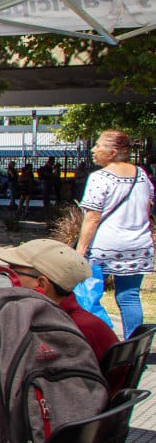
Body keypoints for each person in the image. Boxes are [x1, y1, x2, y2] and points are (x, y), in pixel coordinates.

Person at [76, 130, 155, 337]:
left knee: (89, 297)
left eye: (98, 146)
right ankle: (134, 347)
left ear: (112, 152)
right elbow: (147, 211)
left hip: (104, 246)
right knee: (129, 297)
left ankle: (103, 341)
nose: (94, 150)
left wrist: (80, 251)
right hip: (138, 245)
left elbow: (92, 218)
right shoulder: (141, 175)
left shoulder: (99, 177)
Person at [0, 238, 117, 362]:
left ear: (41, 284)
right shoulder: (73, 319)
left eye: (12, 271)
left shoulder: (68, 331)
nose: (8, 277)